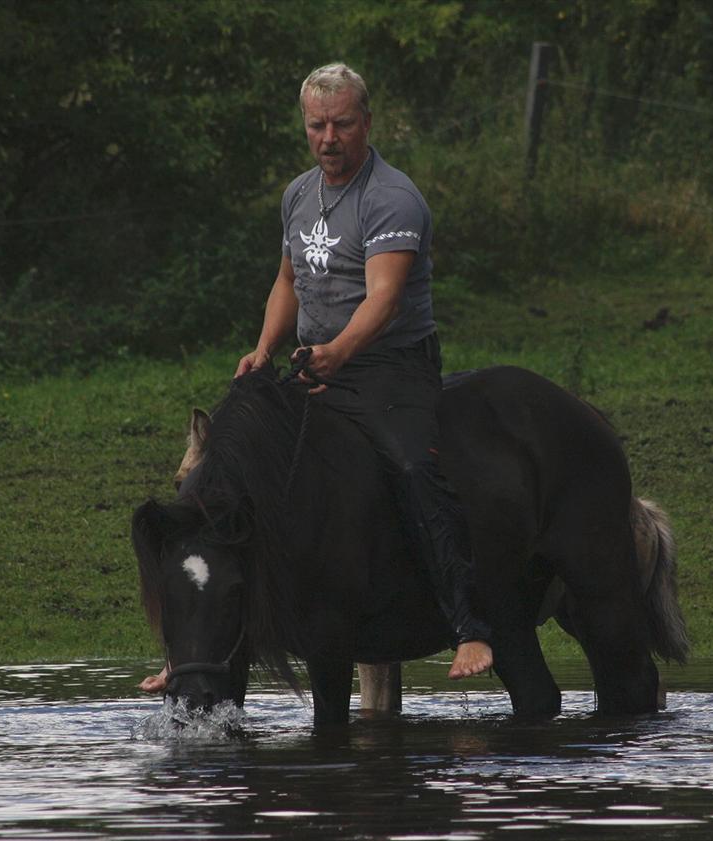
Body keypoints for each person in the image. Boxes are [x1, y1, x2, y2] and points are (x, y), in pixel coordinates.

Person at [140, 63, 491, 694]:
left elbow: (383, 298)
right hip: (314, 363)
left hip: (389, 368)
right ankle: (192, 650)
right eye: (316, 125)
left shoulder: (392, 197)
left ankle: (469, 624)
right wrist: (265, 347)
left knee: (414, 469)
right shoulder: (299, 194)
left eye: (342, 124)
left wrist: (339, 351)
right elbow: (288, 281)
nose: (329, 137)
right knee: (213, 476)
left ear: (367, 122)